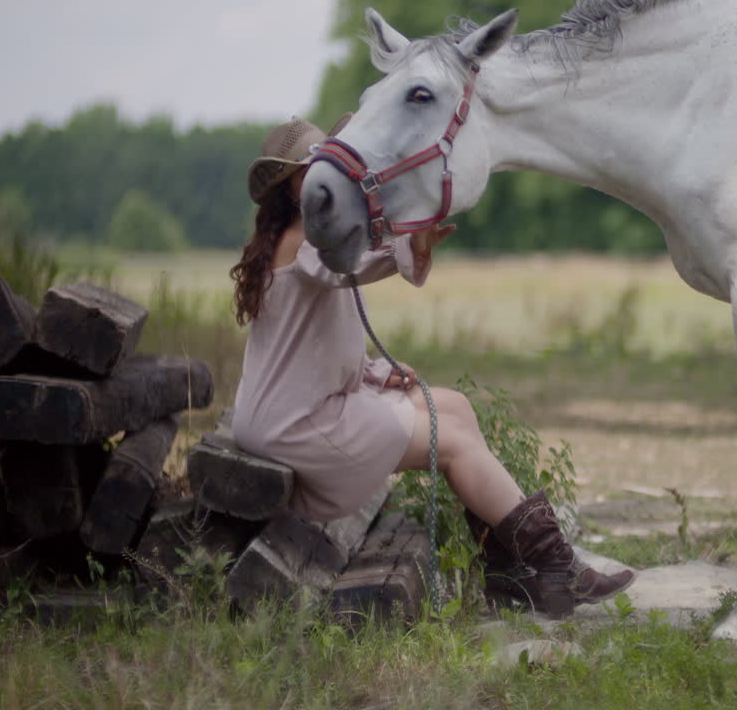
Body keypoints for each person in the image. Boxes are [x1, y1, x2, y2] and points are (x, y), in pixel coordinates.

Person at [229, 117, 633, 617]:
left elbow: (309, 351)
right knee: (456, 443)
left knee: (454, 407)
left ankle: (510, 572)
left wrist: (376, 372)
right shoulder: (306, 241)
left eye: (324, 161)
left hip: (289, 411)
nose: (321, 172)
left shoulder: (295, 241)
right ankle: (556, 567)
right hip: (298, 427)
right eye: (308, 168)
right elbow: (348, 265)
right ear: (287, 188)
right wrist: (408, 241)